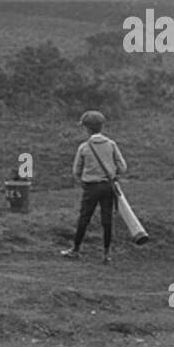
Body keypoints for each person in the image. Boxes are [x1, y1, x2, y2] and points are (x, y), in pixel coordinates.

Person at [62, 110, 127, 263]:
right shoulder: (111, 144)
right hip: (108, 185)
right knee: (107, 219)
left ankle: (76, 249)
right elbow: (123, 167)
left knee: (84, 217)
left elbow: (76, 171)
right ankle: (106, 254)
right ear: (101, 126)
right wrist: (113, 173)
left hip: (91, 187)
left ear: (87, 128)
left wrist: (84, 179)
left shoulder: (84, 147)